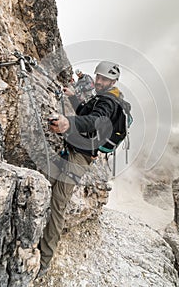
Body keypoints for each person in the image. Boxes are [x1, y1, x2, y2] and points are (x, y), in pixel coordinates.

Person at [38, 61, 122, 277]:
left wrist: (69, 124)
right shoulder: (99, 96)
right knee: (47, 181)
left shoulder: (109, 102)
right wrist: (73, 97)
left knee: (58, 201)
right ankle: (39, 231)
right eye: (99, 77)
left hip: (80, 157)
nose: (100, 82)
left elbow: (94, 120)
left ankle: (45, 259)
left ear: (113, 82)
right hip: (73, 149)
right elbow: (84, 112)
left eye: (105, 79)